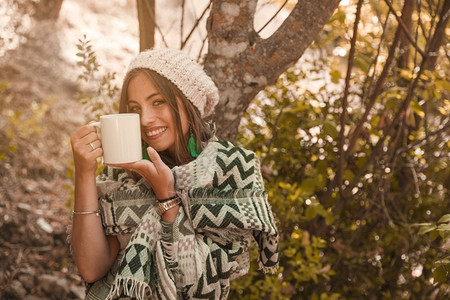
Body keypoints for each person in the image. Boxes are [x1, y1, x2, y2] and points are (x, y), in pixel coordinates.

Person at [69, 48, 279, 300]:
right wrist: (84, 173)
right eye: (135, 108)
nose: (145, 119)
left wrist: (166, 198)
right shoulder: (123, 170)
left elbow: (202, 288)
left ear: (188, 101)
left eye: (158, 102)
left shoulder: (230, 169)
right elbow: (92, 269)